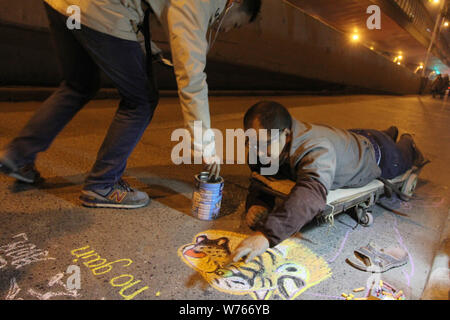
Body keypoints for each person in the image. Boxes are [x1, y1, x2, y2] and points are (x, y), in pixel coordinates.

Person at [0, 0, 262, 209]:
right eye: (237, 23)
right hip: (98, 12)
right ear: (235, 2)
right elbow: (192, 78)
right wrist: (205, 143)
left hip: (63, 6)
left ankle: (18, 154)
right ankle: (103, 183)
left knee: (78, 85)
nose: (227, 28)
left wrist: (147, 49)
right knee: (141, 100)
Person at [230, 101, 426, 263]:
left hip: (378, 154)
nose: (260, 152)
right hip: (351, 138)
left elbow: (312, 195)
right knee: (375, 135)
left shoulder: (316, 149)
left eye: (266, 144)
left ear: (286, 134)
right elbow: (262, 176)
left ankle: (407, 140)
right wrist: (258, 202)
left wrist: (266, 236)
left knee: (403, 151)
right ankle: (389, 131)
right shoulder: (263, 147)